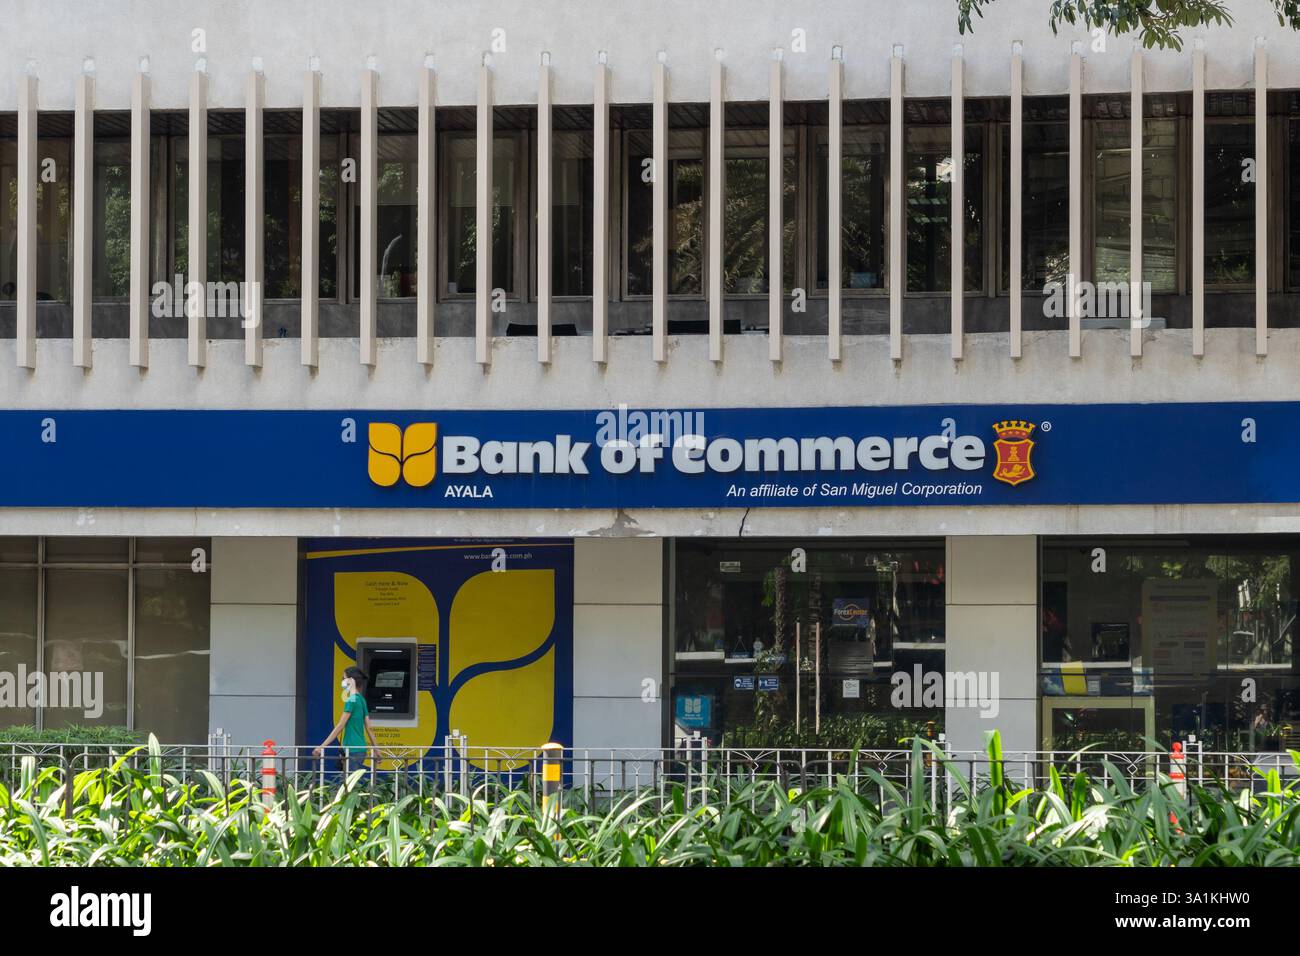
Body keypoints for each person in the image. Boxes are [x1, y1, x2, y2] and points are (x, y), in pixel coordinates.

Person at [313, 666, 378, 770]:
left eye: (344, 678)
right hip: (361, 749)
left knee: (347, 783)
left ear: (351, 680)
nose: (342, 681)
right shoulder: (361, 700)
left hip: (351, 749)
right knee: (350, 782)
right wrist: (377, 750)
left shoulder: (351, 700)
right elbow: (369, 728)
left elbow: (340, 726)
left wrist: (322, 746)